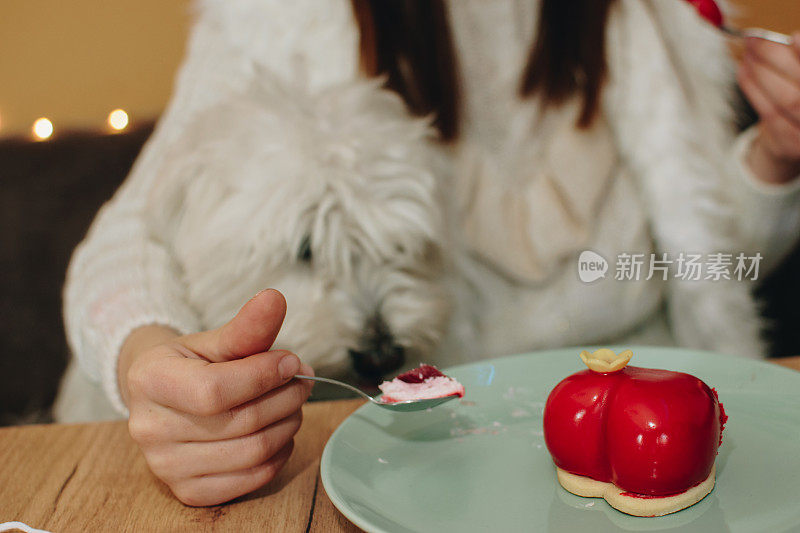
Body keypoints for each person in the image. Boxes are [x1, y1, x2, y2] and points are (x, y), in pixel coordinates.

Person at [56, 0, 800, 506]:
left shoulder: (672, 16)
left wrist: (774, 157)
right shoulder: (276, 17)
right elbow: (133, 231)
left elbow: (704, 267)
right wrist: (150, 362)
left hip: (655, 430)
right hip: (434, 446)